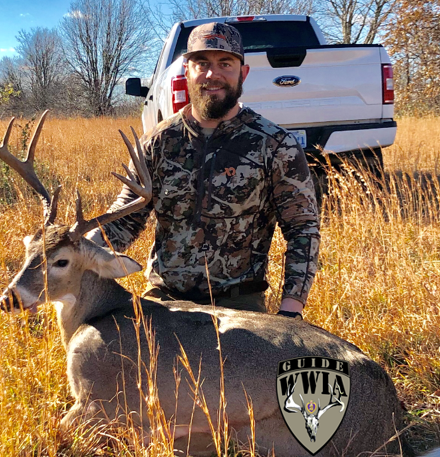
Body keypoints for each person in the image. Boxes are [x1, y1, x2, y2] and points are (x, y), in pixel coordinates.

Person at [87, 22, 319, 318]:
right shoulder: (157, 143)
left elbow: (302, 228)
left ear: (243, 73)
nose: (213, 74)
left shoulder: (274, 145)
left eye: (225, 63)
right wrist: (79, 244)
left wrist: (291, 308)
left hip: (239, 304)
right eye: (202, 63)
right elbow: (125, 217)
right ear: (187, 71)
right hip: (164, 299)